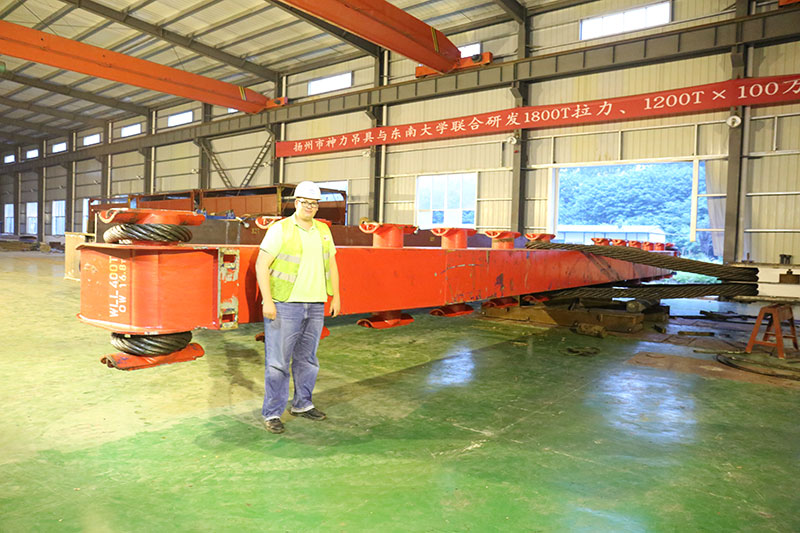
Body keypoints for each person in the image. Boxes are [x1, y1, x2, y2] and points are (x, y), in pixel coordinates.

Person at [255, 181, 341, 434]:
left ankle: (302, 404)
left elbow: (332, 265)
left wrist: (335, 296)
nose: (309, 207)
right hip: (285, 304)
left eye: (314, 203)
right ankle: (272, 412)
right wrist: (267, 300)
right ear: (296, 203)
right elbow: (261, 264)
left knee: (308, 359)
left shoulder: (323, 231)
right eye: (305, 202)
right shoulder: (280, 229)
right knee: (278, 363)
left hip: (315, 304)